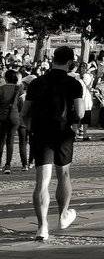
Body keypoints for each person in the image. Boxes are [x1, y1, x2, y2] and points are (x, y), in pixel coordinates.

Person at [24, 45, 85, 240]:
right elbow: (80, 112)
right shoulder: (74, 84)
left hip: (41, 133)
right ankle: (63, 216)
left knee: (42, 182)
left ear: (53, 60)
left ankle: (42, 227)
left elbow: (25, 112)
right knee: (63, 174)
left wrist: (31, 128)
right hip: (63, 133)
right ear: (69, 62)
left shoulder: (36, 83)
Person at [1, 68, 25, 172]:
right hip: (14, 117)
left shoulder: (1, 89)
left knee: (1, 141)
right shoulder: (19, 89)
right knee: (10, 141)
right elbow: (21, 105)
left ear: (5, 78)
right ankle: (8, 165)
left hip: (2, 117)